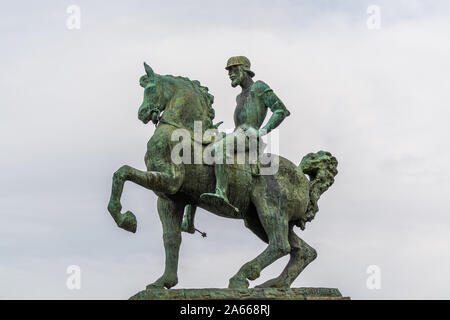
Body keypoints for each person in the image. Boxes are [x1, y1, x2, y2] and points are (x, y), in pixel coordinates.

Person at [199, 56, 291, 215]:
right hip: (238, 134)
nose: (230, 74)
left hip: (250, 136)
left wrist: (263, 130)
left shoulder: (260, 87)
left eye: (233, 70)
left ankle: (221, 193)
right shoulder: (239, 97)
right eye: (229, 72)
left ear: (244, 71)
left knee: (220, 148)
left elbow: (281, 110)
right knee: (205, 150)